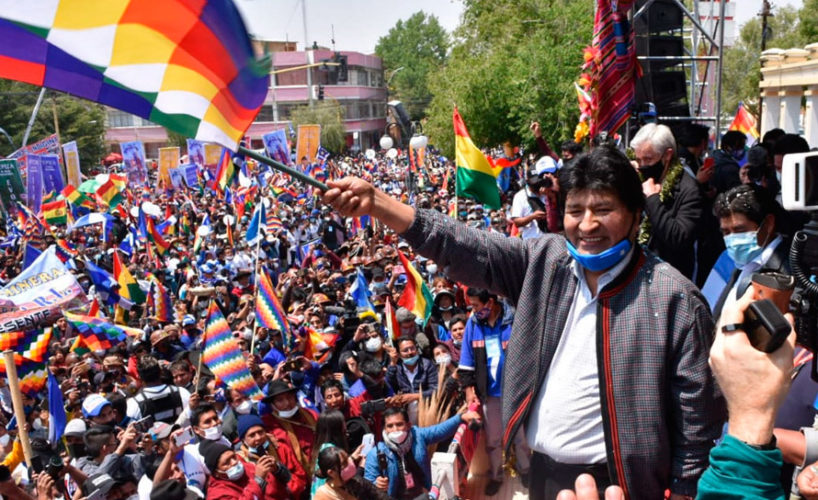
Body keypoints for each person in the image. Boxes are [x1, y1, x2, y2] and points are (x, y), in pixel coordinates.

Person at [322, 146, 724, 499]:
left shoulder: (673, 299)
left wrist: (683, 491)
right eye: (575, 211)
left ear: (636, 216)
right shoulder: (545, 262)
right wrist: (378, 203)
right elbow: (465, 246)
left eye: (603, 210)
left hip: (623, 485)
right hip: (543, 474)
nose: (587, 225)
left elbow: (696, 417)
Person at [460, 287, 529, 495]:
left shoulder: (514, 318)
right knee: (493, 440)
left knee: (521, 436)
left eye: (476, 305)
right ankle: (496, 476)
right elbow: (466, 360)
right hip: (489, 394)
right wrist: (469, 390)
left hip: (516, 391)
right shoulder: (473, 323)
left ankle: (526, 471)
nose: (473, 310)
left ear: (490, 302)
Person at [631, 123, 703, 279]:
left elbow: (679, 238)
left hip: (669, 277)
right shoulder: (639, 180)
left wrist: (652, 199)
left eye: (648, 159)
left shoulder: (689, 189)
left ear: (667, 155)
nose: (642, 166)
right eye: (638, 160)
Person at [363, 406, 480, 498]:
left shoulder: (418, 436)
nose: (395, 430)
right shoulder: (375, 454)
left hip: (422, 494)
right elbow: (367, 485)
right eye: (390, 426)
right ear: (384, 429)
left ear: (408, 425)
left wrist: (461, 417)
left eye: (399, 424)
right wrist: (375, 484)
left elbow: (440, 430)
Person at [235, 414, 306, 497]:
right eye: (252, 435)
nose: (258, 437)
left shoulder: (280, 448)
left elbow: (300, 477)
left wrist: (279, 471)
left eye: (260, 432)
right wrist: (259, 478)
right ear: (243, 440)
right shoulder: (241, 461)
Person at [200, 440, 290, 499]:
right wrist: (258, 481)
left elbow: (283, 484)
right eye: (226, 463)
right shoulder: (217, 494)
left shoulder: (249, 467)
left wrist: (277, 470)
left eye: (234, 457)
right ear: (216, 473)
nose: (234, 462)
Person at [314, 446, 389, 500]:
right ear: (331, 473)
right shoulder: (323, 495)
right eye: (344, 463)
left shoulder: (357, 482)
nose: (350, 463)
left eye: (348, 458)